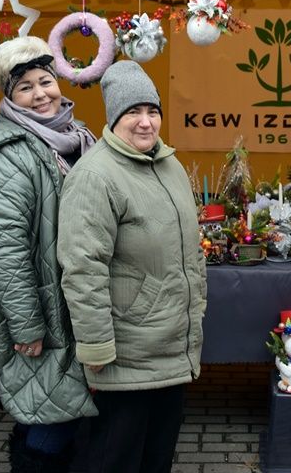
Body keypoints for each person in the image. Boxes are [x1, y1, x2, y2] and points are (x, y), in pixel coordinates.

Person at [57, 60, 206, 473]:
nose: (145, 122)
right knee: (115, 460)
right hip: (125, 354)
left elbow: (189, 252)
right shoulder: (95, 176)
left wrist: (195, 311)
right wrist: (95, 345)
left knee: (156, 459)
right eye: (133, 112)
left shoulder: (170, 166)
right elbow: (83, 268)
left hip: (171, 347)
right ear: (113, 117)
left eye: (152, 111)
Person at [0, 36, 98, 471]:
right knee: (54, 411)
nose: (41, 94)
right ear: (9, 97)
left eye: (45, 81)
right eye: (24, 87)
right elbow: (3, 246)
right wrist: (26, 324)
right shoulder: (6, 152)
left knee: (55, 407)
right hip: (41, 307)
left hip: (73, 302)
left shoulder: (79, 137)